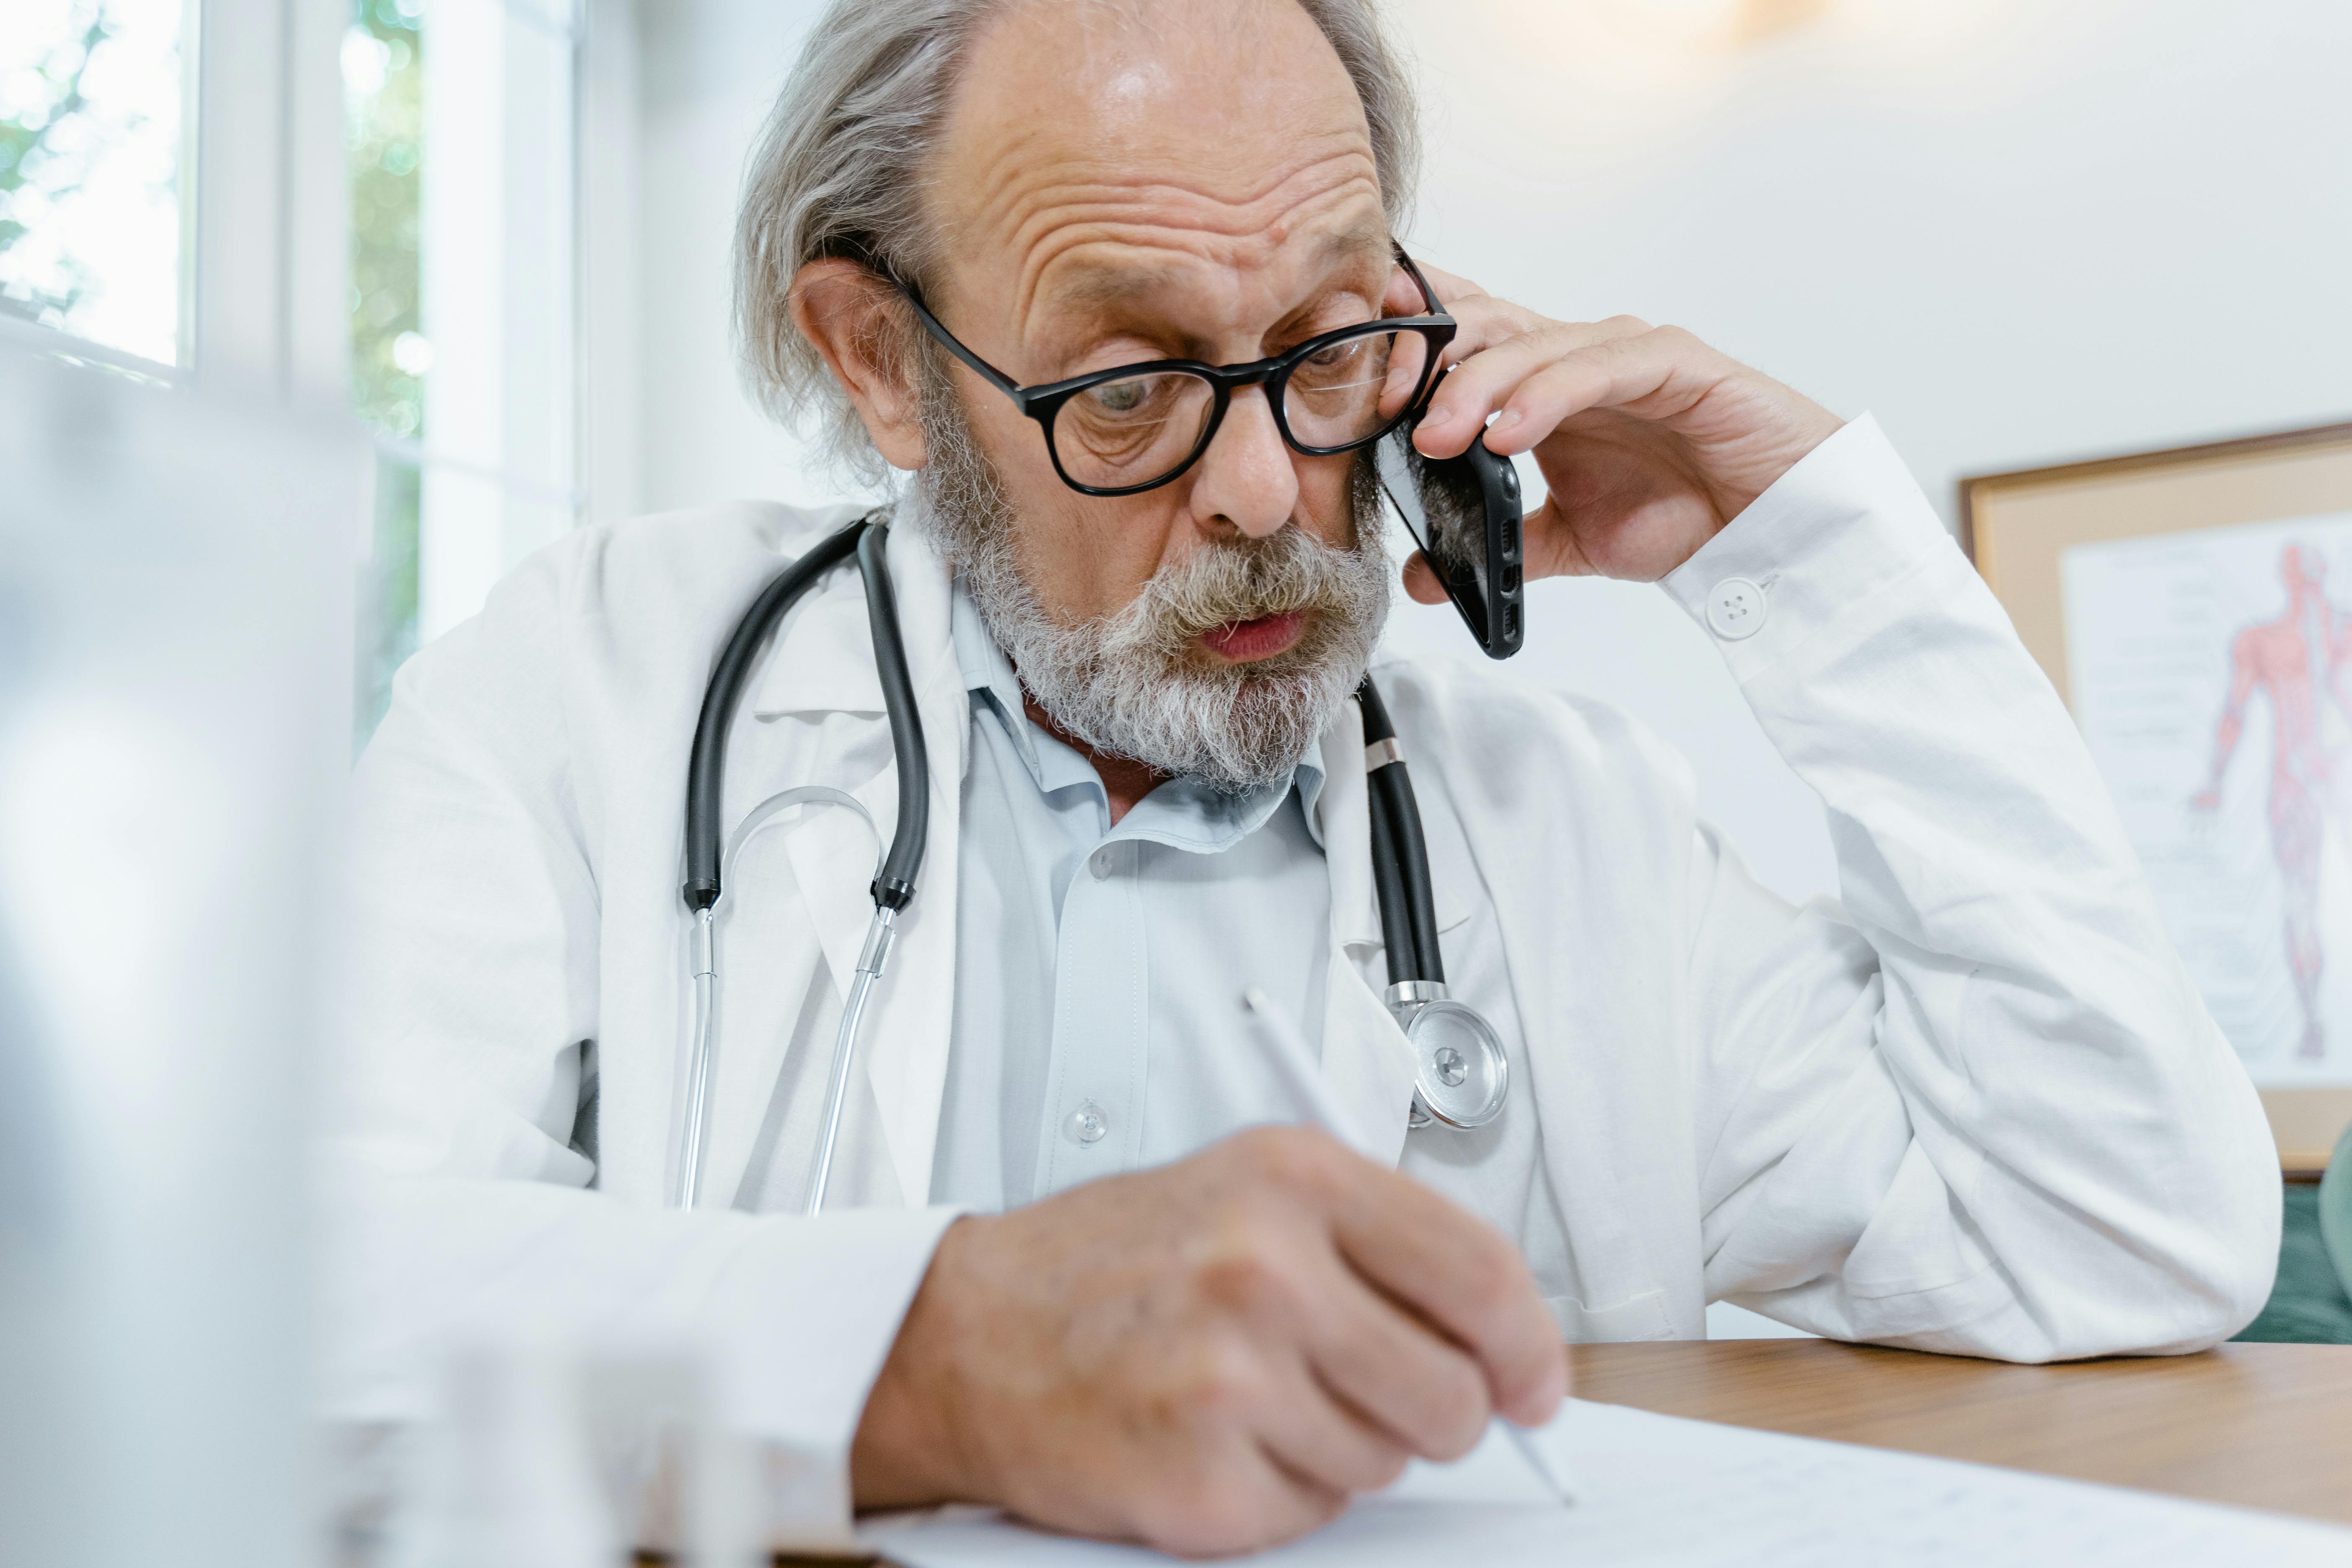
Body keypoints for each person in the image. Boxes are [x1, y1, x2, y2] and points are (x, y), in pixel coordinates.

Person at [329, 0, 2282, 1555]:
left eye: (1332, 346)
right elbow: (281, 1291)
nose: (1267, 492)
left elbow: (2112, 1227)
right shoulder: (600, 686)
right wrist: (947, 1360)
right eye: (1128, 388)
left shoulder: (1571, 827)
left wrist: (1806, 555)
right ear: (876, 361)